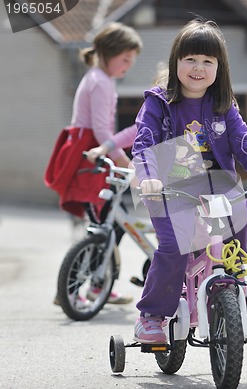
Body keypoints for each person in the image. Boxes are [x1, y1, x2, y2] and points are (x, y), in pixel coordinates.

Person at [131, 17, 247, 344]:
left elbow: (245, 142)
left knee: (241, 215)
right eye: (190, 59)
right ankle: (153, 315)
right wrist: (148, 178)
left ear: (219, 68)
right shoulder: (159, 102)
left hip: (215, 191)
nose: (198, 67)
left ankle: (224, 281)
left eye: (207, 61)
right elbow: (143, 142)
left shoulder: (222, 105)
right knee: (174, 248)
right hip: (168, 192)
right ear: (176, 62)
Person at [45, 22, 143, 305]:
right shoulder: (101, 82)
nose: (127, 66)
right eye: (125, 59)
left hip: (87, 155)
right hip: (93, 157)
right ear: (109, 53)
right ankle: (80, 290)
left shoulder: (96, 78)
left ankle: (94, 285)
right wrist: (126, 163)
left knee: (105, 224)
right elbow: (102, 132)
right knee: (105, 226)